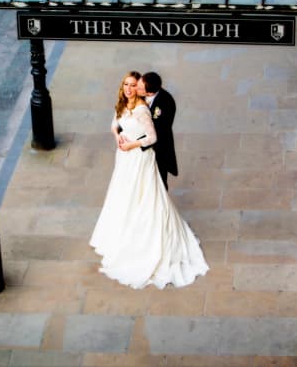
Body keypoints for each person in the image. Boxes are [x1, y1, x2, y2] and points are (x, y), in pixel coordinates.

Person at [89, 71, 208, 289]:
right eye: (127, 84)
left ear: (145, 89)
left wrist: (132, 144)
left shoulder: (151, 107)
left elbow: (155, 136)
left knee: (152, 194)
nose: (131, 88)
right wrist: (119, 138)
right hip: (125, 159)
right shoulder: (126, 104)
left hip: (148, 156)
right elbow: (115, 124)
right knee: (125, 194)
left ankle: (152, 233)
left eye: (136, 85)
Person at [137, 72, 178, 189]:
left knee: (158, 184)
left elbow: (160, 130)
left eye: (139, 88)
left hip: (158, 148)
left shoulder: (166, 101)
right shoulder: (140, 96)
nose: (136, 89)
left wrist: (135, 143)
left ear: (149, 92)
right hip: (141, 147)